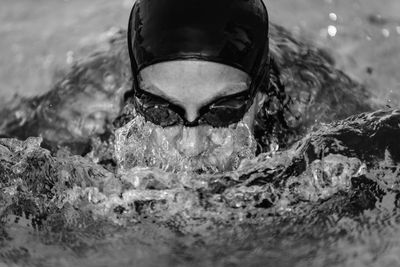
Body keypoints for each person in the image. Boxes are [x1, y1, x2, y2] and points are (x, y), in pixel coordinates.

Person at [122, 0, 271, 172]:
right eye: (161, 112)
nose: (192, 147)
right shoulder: (96, 120)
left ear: (260, 97)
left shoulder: (303, 125)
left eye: (222, 113)